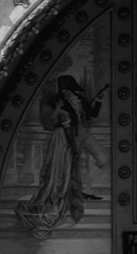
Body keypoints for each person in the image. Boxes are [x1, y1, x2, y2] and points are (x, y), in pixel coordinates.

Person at [15, 74, 107, 237]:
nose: (65, 91)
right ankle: (76, 191)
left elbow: (92, 114)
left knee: (102, 159)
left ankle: (85, 188)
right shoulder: (55, 100)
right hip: (69, 134)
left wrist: (98, 100)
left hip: (83, 131)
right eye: (63, 88)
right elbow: (53, 119)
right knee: (69, 167)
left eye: (67, 88)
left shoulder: (80, 98)